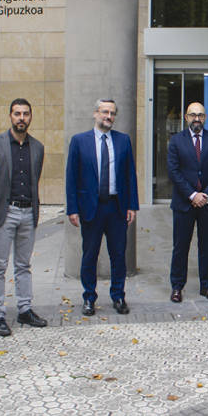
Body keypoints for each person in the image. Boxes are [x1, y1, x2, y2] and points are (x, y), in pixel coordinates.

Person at [66, 99, 139, 316]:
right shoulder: (79, 141)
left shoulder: (123, 141)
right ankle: (89, 298)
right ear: (95, 113)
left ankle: (118, 296)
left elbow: (130, 176)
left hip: (117, 208)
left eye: (113, 113)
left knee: (118, 256)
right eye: (105, 112)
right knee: (90, 255)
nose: (109, 116)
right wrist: (72, 208)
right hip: (92, 208)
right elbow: (72, 177)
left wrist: (132, 205)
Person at [0, 98, 47, 337]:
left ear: (31, 117)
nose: (22, 118)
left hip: (28, 212)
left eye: (26, 114)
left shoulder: (38, 148)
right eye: (17, 113)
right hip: (4, 212)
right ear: (10, 116)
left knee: (23, 265)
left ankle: (24, 309)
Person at [167, 102, 208, 303]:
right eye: (193, 115)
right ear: (186, 117)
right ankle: (177, 286)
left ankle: (206, 286)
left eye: (200, 115)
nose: (197, 119)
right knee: (180, 246)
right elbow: (173, 172)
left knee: (206, 246)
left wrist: (205, 195)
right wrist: (193, 195)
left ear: (205, 117)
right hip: (184, 203)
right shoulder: (176, 141)